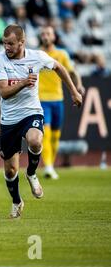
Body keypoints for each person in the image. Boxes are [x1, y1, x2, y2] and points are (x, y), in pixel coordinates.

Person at [0, 24, 82, 219]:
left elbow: (59, 67)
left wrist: (73, 91)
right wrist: (24, 82)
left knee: (35, 140)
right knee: (10, 170)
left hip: (32, 112)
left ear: (22, 43)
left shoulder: (37, 56)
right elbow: (4, 93)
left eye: (11, 44)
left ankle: (32, 173)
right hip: (9, 119)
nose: (6, 47)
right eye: (4, 43)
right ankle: (16, 201)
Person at [38, 25, 84, 179]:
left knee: (56, 136)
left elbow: (72, 71)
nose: (45, 36)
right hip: (41, 99)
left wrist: (79, 85)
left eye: (48, 33)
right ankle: (49, 167)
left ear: (54, 36)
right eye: (43, 33)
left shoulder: (61, 54)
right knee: (46, 132)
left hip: (58, 99)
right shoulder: (37, 54)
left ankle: (50, 164)